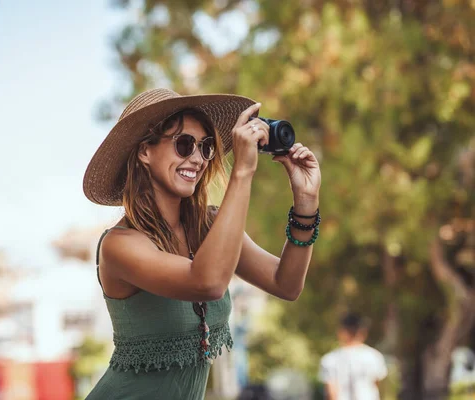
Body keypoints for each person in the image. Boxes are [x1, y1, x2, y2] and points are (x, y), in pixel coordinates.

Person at [82, 88, 321, 399]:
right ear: (144, 152)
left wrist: (306, 203)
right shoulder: (119, 245)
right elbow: (207, 282)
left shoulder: (209, 226)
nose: (197, 158)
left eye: (206, 147)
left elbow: (286, 283)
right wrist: (243, 170)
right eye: (183, 144)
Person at [319, 313, 388, 400]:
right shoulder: (374, 356)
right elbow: (376, 384)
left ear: (342, 331)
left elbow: (332, 392)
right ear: (362, 332)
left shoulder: (330, 359)